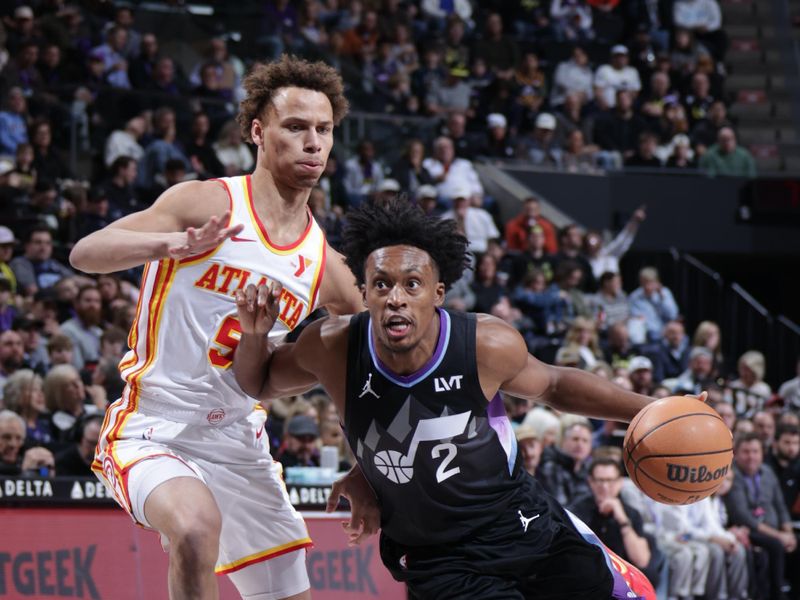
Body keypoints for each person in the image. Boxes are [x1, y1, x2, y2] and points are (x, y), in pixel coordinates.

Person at [233, 199, 660, 599]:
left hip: (520, 522)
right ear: (364, 294)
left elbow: (555, 385)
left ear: (438, 293)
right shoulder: (331, 347)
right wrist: (253, 336)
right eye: (381, 284)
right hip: (438, 557)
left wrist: (652, 410)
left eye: (411, 284)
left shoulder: (483, 344)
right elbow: (261, 382)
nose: (395, 297)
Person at [68, 56, 378, 600]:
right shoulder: (208, 202)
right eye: (296, 127)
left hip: (238, 436)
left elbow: (368, 360)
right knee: (192, 528)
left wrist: (366, 463)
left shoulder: (323, 261)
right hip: (152, 426)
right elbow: (85, 252)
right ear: (259, 132)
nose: (313, 143)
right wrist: (166, 245)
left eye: (324, 130)